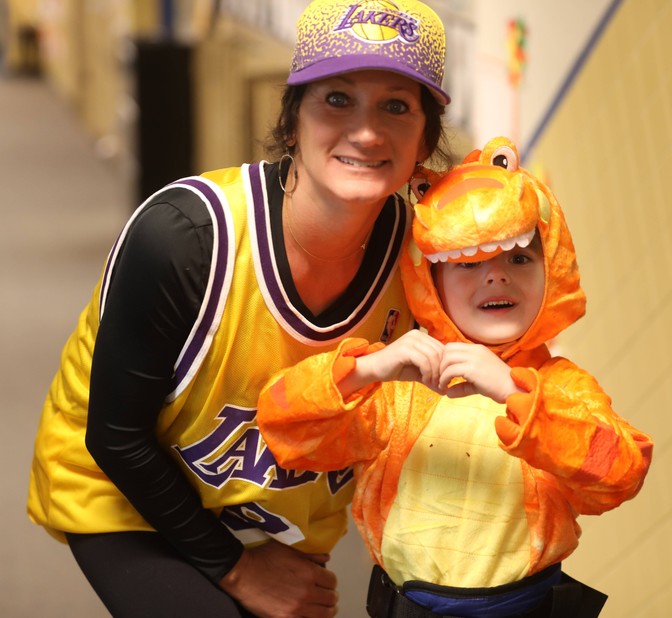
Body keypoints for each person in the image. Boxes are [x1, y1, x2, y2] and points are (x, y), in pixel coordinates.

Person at [26, 1, 454, 616]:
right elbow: (116, 437)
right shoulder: (185, 236)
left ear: (425, 140)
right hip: (124, 486)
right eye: (336, 99)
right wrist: (234, 569)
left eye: (396, 105)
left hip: (272, 508)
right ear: (292, 119)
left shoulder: (424, 257)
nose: (366, 131)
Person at [257, 136, 653, 618]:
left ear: (552, 268)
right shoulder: (400, 388)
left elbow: (621, 473)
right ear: (429, 280)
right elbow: (284, 427)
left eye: (519, 257)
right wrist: (368, 369)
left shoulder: (561, 387)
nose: (496, 277)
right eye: (466, 264)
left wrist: (515, 391)